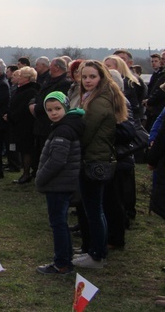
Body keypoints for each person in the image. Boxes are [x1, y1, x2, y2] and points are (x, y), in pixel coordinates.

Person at [72, 60, 127, 269]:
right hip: (95, 157)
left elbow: (87, 132)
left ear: (101, 77)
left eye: (92, 77)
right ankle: (94, 249)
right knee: (93, 209)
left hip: (95, 160)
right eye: (84, 77)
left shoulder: (99, 102)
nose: (87, 80)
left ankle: (97, 254)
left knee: (94, 210)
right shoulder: (93, 97)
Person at [35, 92, 85, 275]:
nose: (53, 113)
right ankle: (65, 257)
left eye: (57, 109)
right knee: (59, 222)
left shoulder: (63, 130)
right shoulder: (63, 126)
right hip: (62, 182)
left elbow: (57, 160)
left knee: (58, 223)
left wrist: (40, 177)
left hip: (59, 183)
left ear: (66, 107)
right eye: (49, 110)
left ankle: (62, 262)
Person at [6, 67, 40, 184]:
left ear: (28, 78)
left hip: (26, 125)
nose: (18, 78)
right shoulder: (21, 89)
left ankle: (26, 173)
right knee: (22, 149)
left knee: (26, 150)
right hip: (18, 124)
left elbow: (23, 108)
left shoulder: (30, 91)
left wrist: (11, 116)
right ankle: (25, 172)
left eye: (21, 76)